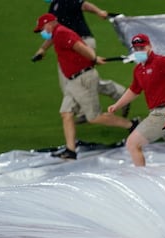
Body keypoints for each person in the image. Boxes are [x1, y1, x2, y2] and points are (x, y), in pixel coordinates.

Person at [33, 13, 137, 160]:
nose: (42, 32)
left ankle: (132, 124)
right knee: (66, 113)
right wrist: (42, 50)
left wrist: (93, 58)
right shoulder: (57, 33)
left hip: (82, 79)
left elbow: (79, 46)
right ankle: (71, 150)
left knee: (94, 117)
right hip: (73, 81)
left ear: (49, 24)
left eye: (42, 28)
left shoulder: (61, 33)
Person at [107, 33, 165, 167]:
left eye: (142, 48)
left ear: (149, 47)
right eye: (136, 49)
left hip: (164, 113)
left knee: (132, 143)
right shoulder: (138, 69)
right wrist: (117, 105)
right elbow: (134, 90)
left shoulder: (160, 62)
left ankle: (142, 180)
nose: (139, 52)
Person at [32, 0, 128, 114]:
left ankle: (83, 111)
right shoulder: (54, 6)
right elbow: (54, 32)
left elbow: (83, 5)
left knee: (77, 79)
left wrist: (98, 11)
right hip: (70, 47)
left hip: (81, 43)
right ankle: (119, 95)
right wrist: (43, 49)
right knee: (83, 79)